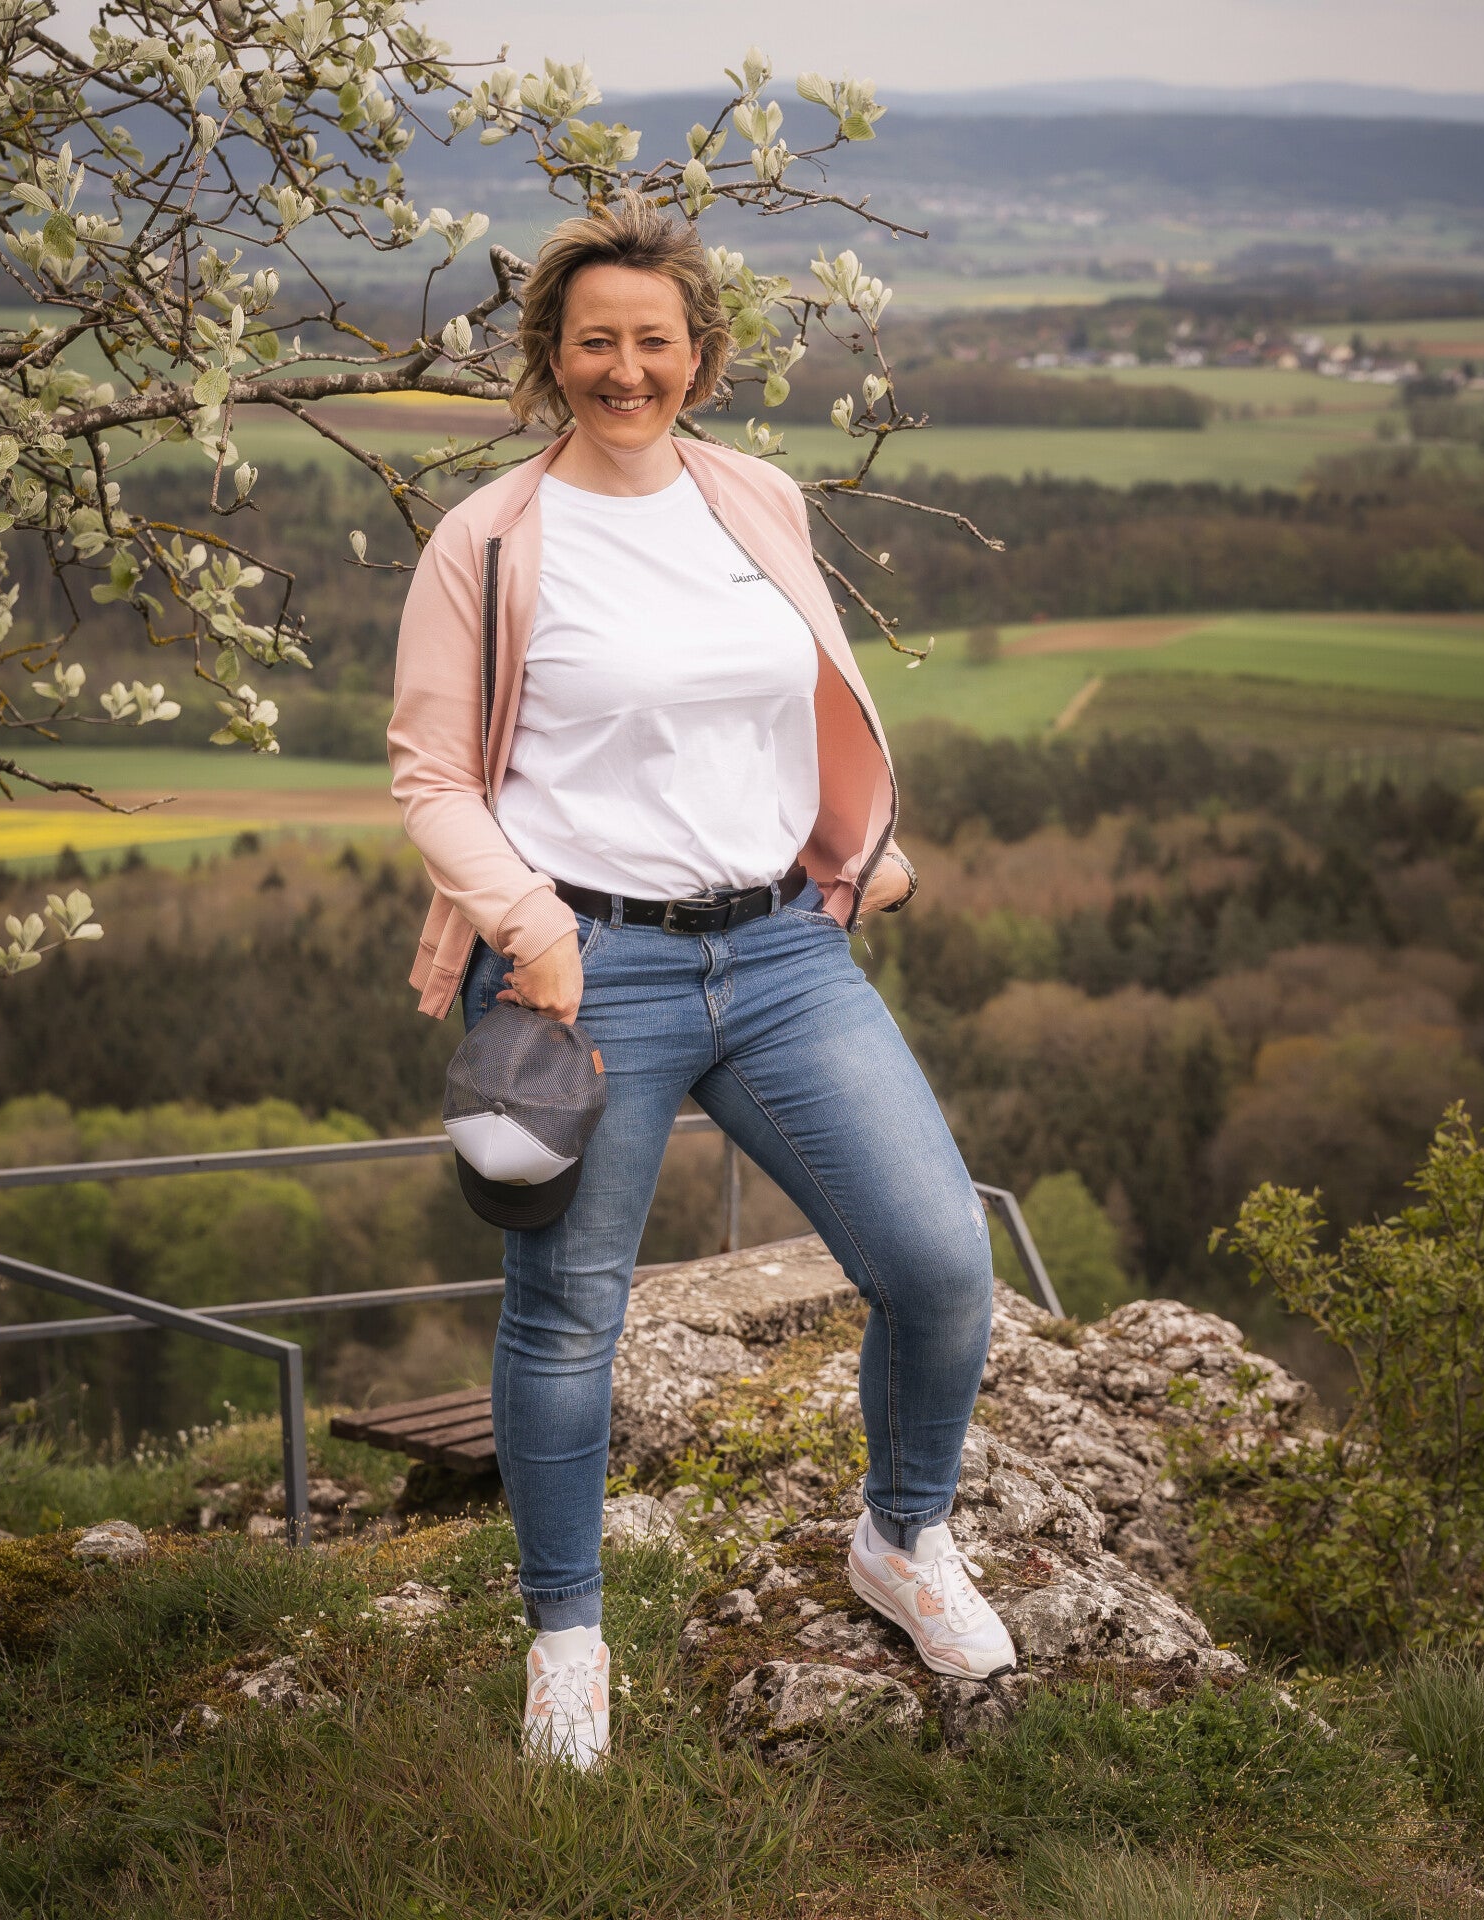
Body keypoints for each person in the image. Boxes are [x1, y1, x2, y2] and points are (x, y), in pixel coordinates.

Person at [389, 193, 1012, 1770]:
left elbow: (800, 690)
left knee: (942, 1266)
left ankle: (901, 1540)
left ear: (698, 355)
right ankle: (567, 1639)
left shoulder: (753, 499)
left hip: (783, 953)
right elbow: (429, 778)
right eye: (594, 340)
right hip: (583, 968)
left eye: (653, 341)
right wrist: (527, 926)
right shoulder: (490, 541)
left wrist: (858, 840)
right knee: (564, 1319)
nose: (624, 368)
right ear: (550, 355)